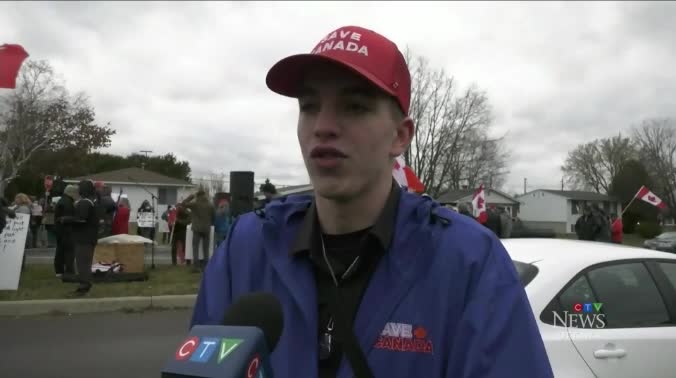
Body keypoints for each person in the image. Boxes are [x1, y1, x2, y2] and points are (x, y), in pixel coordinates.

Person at [191, 25, 553, 378]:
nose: (323, 126)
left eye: (354, 107)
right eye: (309, 106)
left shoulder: (470, 262)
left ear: (400, 136)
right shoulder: (246, 249)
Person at [61, 180, 99, 295]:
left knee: (82, 264)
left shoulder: (85, 203)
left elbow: (81, 219)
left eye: (79, 188)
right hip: (89, 237)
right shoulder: (92, 201)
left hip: (84, 238)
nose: (77, 190)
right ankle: (84, 285)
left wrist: (66, 219)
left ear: (83, 190)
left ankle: (84, 287)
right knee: (84, 263)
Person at [181, 190, 214, 272]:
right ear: (205, 195)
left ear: (197, 196)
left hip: (197, 228)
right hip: (206, 228)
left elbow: (183, 204)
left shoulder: (195, 204)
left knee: (195, 247)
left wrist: (191, 197)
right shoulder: (210, 205)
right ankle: (205, 266)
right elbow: (214, 216)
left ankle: (196, 267)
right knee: (206, 249)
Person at [53, 185, 78, 277]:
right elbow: (68, 218)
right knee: (69, 252)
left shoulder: (62, 201)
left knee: (60, 251)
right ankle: (69, 272)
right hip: (67, 231)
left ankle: (59, 271)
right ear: (72, 193)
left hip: (60, 230)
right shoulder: (68, 203)